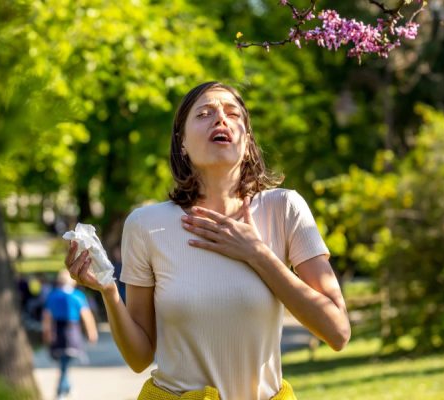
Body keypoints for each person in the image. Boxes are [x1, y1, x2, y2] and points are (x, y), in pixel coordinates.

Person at [65, 82, 351, 400]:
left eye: (232, 113)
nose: (220, 119)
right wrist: (107, 291)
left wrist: (257, 254)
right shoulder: (146, 225)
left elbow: (337, 332)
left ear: (247, 140)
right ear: (182, 142)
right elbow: (139, 357)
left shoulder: (284, 208)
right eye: (204, 113)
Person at [42, 270, 98, 399]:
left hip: (58, 331)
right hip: (72, 331)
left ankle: (64, 388)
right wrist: (92, 332)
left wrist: (47, 333)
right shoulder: (78, 296)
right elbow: (87, 316)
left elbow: (47, 317)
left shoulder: (52, 296)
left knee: (64, 362)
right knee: (65, 363)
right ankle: (62, 390)